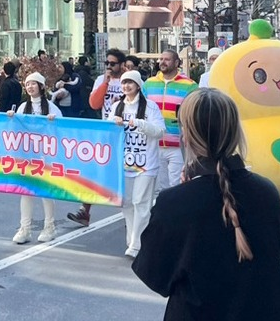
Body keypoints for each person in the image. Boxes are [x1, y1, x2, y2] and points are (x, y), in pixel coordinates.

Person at [132, 88, 280, 320]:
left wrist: (185, 190)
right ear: (234, 131)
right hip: (268, 309)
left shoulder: (174, 202)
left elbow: (155, 275)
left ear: (186, 135)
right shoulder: (267, 191)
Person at [67, 48, 126, 227]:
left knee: (126, 173)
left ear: (122, 65)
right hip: (106, 131)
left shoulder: (130, 79)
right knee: (93, 170)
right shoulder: (101, 79)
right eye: (106, 63)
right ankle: (84, 210)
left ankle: (131, 214)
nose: (108, 66)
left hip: (125, 132)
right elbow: (94, 103)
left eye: (113, 63)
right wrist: (105, 84)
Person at [109, 70, 165, 257]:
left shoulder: (150, 107)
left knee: (141, 202)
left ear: (138, 85)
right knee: (126, 203)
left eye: (130, 83)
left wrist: (140, 123)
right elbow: (106, 133)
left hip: (146, 164)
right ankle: (132, 239)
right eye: (124, 83)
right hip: (123, 164)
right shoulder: (116, 106)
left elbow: (159, 131)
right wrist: (113, 123)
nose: (126, 86)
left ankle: (137, 244)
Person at [7, 72, 62, 244]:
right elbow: (15, 131)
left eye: (33, 83)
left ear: (41, 86)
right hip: (27, 155)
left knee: (45, 191)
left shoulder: (52, 108)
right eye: (27, 84)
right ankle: (25, 229)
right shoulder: (23, 107)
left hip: (45, 156)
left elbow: (61, 131)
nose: (30, 87)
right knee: (26, 191)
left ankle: (49, 227)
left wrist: (54, 122)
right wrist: (11, 118)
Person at [143, 49, 198, 191]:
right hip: (154, 144)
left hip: (178, 144)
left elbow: (195, 112)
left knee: (177, 185)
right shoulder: (149, 84)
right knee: (160, 188)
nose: (162, 62)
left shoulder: (190, 85)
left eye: (167, 59)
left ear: (176, 62)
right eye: (161, 59)